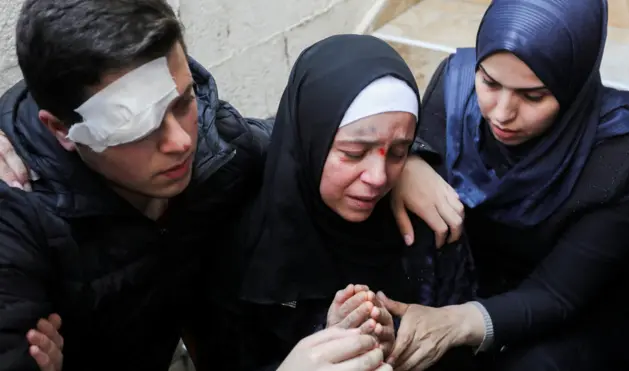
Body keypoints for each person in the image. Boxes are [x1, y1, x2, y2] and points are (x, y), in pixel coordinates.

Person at [0, 1, 427, 370]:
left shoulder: (217, 147)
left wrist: (410, 158)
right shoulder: (18, 221)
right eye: (137, 124)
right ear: (61, 131)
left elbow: (307, 133)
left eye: (182, 101)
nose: (181, 141)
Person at [380, 0, 629, 370]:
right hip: (472, 281)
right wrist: (410, 160)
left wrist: (454, 323)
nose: (501, 113)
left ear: (572, 81)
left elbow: (558, 293)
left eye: (533, 96)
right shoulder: (456, 84)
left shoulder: (623, 150)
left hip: (587, 306)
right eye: (490, 82)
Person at [193, 33, 476, 371]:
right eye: (354, 153)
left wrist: (398, 347)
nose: (378, 177)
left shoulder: (426, 220)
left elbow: (462, 342)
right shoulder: (240, 248)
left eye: (399, 152)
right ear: (310, 141)